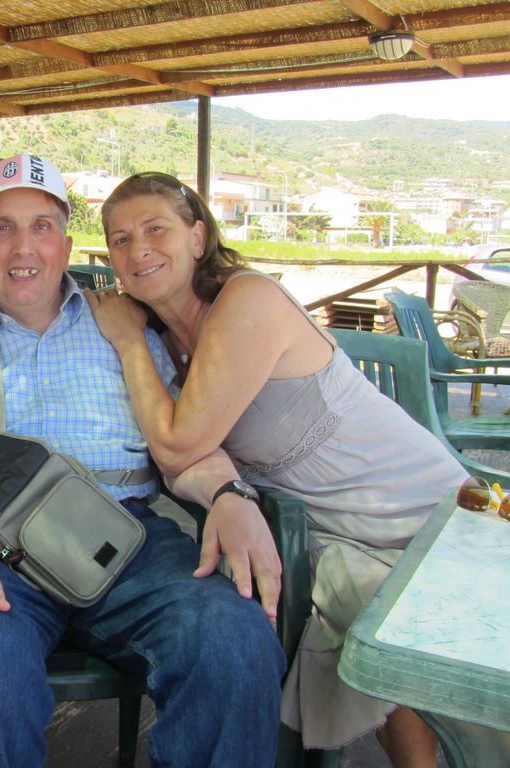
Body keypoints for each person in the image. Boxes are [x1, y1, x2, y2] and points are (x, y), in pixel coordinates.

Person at [0, 154, 286, 768]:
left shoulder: (122, 327)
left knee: (233, 640)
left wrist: (229, 493)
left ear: (66, 247)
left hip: (125, 541)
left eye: (41, 227)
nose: (24, 247)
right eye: (3, 228)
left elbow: (180, 446)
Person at [87, 171, 469, 766]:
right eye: (120, 239)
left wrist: (128, 342)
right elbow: (180, 463)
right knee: (369, 614)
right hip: (328, 531)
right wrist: (227, 491)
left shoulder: (248, 300)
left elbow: (179, 445)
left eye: (155, 229)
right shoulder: (167, 343)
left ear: (197, 236)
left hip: (410, 506)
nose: (138, 250)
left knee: (443, 654)